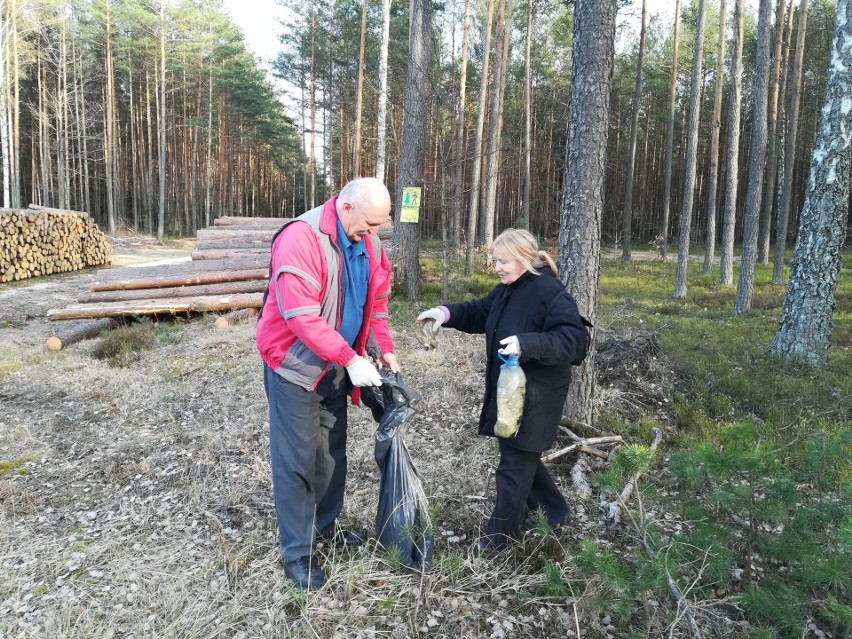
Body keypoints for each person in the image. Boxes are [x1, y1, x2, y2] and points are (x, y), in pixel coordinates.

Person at [257, 177, 400, 590]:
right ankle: (297, 554)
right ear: (346, 207)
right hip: (296, 367)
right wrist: (350, 358)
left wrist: (382, 347)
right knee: (298, 461)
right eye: (370, 225)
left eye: (380, 227)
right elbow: (300, 314)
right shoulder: (302, 238)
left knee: (331, 455)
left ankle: (325, 528)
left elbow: (376, 303)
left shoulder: (370, 244)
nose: (374, 235)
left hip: (338, 367)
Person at [417, 228, 589, 555]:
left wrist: (527, 343)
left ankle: (499, 540)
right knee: (520, 456)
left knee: (513, 466)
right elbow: (480, 312)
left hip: (536, 398)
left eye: (503, 261)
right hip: (512, 395)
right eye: (495, 260)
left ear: (524, 259)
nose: (497, 266)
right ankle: (555, 511)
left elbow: (574, 341)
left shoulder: (550, 292)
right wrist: (444, 314)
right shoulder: (507, 290)